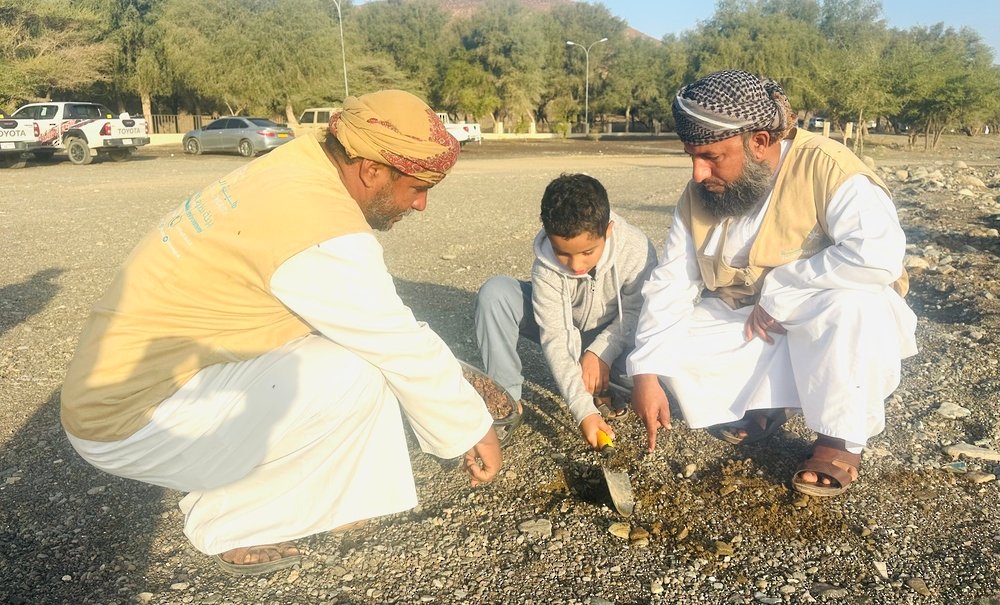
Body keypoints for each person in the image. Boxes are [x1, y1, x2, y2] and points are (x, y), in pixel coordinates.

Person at [60, 90, 501, 575]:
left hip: (138, 382)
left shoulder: (301, 162)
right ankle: (236, 521)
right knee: (361, 370)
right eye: (419, 188)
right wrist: (471, 426)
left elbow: (373, 316)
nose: (420, 205)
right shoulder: (318, 226)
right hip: (128, 419)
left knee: (352, 347)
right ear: (372, 170)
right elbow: (395, 341)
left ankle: (309, 492)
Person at [627, 70, 918, 497]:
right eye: (691, 155)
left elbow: (878, 255)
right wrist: (646, 373)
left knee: (857, 307)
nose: (697, 172)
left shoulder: (827, 167)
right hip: (750, 318)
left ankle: (840, 439)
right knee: (665, 345)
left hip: (826, 313)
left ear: (760, 142)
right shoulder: (700, 194)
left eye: (710, 156)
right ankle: (763, 405)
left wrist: (784, 287)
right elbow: (671, 282)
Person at [474, 173, 657, 449]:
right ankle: (506, 401)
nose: (576, 265)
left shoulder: (637, 250)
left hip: (613, 329)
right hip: (563, 323)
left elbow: (635, 314)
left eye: (588, 252)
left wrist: (600, 353)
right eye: (564, 254)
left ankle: (607, 392)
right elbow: (556, 336)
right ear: (550, 238)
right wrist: (583, 411)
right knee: (495, 293)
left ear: (608, 230)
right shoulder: (546, 265)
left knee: (640, 376)